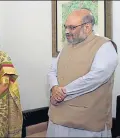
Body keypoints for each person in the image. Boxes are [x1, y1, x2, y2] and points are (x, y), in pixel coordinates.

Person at [47, 9, 118, 137]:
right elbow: (52, 70)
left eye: (72, 27)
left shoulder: (105, 46)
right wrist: (54, 87)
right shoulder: (66, 47)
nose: (67, 31)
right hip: (58, 117)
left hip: (87, 124)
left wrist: (62, 93)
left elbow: (94, 78)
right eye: (66, 27)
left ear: (87, 27)